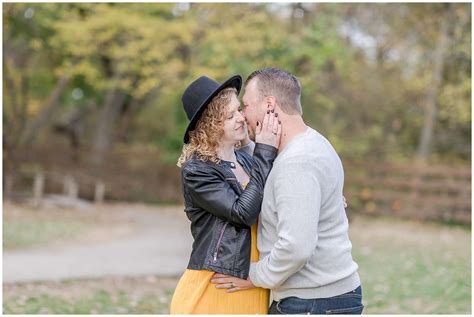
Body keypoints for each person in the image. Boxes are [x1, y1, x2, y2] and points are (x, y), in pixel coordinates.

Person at [211, 68, 364, 315]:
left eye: (247, 106)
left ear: (269, 105)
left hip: (312, 302)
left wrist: (254, 275)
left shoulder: (297, 162)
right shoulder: (313, 142)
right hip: (322, 299)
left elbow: (296, 247)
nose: (243, 115)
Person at [169, 74, 281, 314]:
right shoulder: (197, 171)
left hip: (251, 280)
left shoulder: (246, 159)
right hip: (216, 285)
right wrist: (264, 151)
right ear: (211, 125)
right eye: (230, 116)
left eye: (239, 110)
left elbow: (277, 195)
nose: (241, 118)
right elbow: (242, 213)